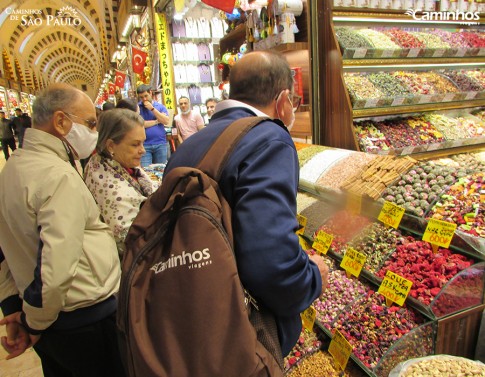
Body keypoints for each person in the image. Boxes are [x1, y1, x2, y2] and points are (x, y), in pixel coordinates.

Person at [164, 50, 328, 358]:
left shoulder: (194, 142)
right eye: (292, 101)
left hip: (189, 315)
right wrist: (310, 279)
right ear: (283, 100)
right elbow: (270, 262)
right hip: (238, 336)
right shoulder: (269, 138)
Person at [0, 83, 126, 377]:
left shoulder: (13, 169)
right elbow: (55, 270)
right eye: (91, 123)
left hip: (52, 322)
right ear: (60, 121)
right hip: (82, 319)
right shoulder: (56, 176)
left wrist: (15, 308)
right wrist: (33, 322)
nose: (95, 132)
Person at [84, 109, 158, 256]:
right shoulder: (106, 182)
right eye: (135, 144)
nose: (142, 150)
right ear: (111, 145)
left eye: (143, 143)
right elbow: (129, 241)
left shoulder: (117, 164)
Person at [136, 84, 170, 167]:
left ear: (150, 93)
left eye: (146, 96)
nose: (144, 99)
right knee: (146, 171)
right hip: (145, 145)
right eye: (141, 97)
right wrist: (157, 121)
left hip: (160, 143)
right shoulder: (138, 108)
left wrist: (152, 109)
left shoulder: (160, 107)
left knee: (161, 170)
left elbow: (166, 121)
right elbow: (140, 124)